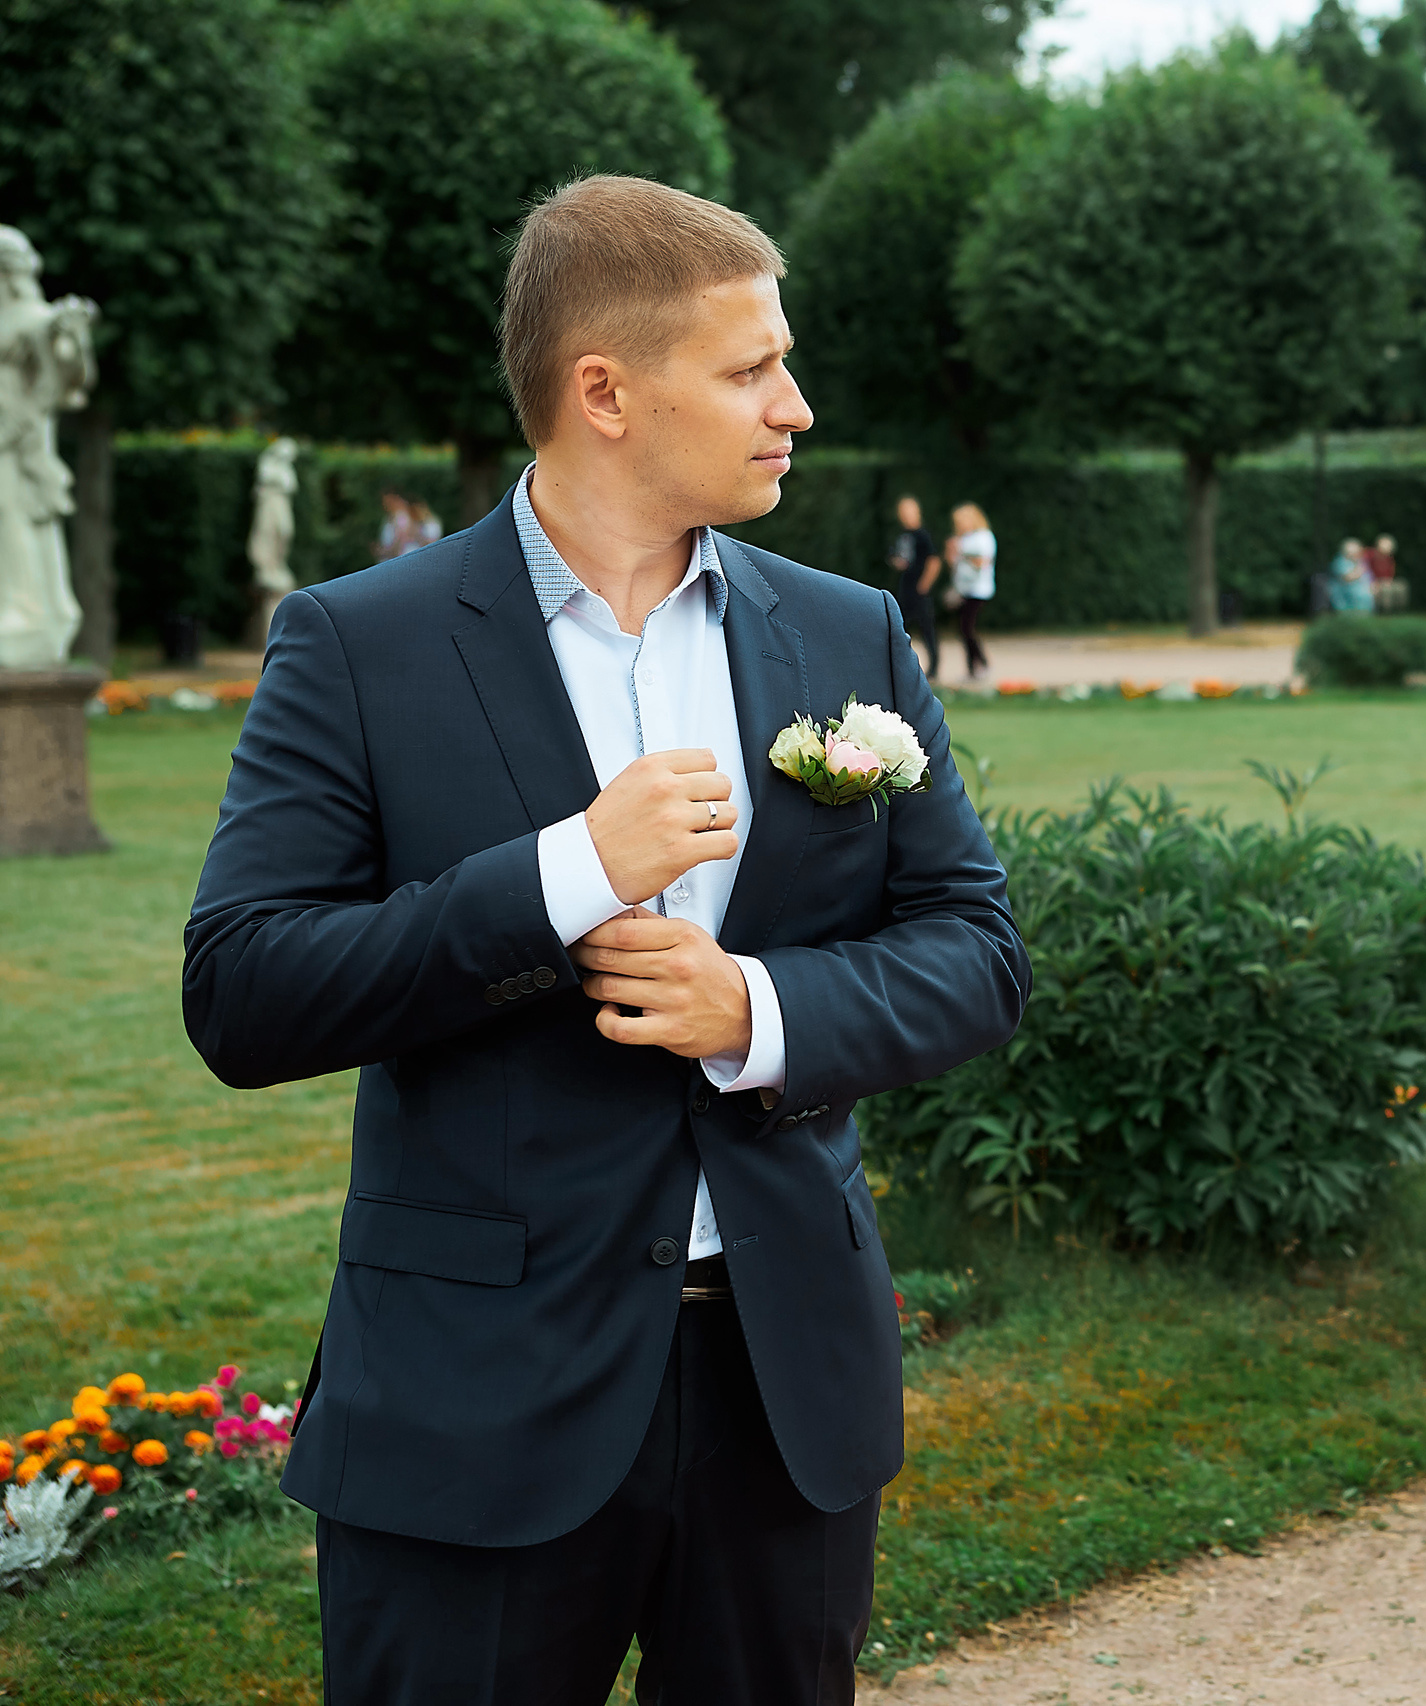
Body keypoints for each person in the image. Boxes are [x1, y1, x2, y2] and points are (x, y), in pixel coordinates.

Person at [182, 174, 1030, 1703]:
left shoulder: (849, 634)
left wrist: (755, 1007)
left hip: (787, 1392)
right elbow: (245, 990)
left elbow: (977, 948)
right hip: (471, 1406)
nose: (798, 403)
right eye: (751, 366)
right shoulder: (358, 642)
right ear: (606, 392)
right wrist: (568, 871)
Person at [889, 494, 941, 680]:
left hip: (919, 589)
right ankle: (901, 668)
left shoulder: (923, 535)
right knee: (900, 627)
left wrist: (924, 584)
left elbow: (934, 561)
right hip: (905, 587)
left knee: (927, 627)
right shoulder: (902, 535)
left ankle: (934, 666)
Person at [947, 502, 995, 679]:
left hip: (978, 590)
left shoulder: (983, 537)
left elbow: (982, 562)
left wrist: (960, 550)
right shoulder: (963, 538)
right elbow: (954, 565)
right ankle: (971, 668)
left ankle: (982, 663)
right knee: (962, 629)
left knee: (966, 627)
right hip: (963, 589)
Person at [1327, 537, 1373, 614]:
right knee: (1362, 594)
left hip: (1360, 588)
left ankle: (1364, 618)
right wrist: (1358, 572)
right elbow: (1347, 578)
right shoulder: (1340, 561)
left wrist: (1371, 585)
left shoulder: (1360, 561)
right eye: (1353, 553)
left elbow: (1368, 576)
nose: (1356, 555)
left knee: (1366, 594)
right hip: (1343, 589)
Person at [371, 490, 417, 561]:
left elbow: (399, 543)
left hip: (404, 559)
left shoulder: (402, 517)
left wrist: (385, 552)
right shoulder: (388, 520)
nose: (385, 504)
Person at [1366, 533, 1406, 612]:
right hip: (1372, 582)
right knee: (1386, 590)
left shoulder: (1390, 559)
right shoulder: (1369, 555)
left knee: (1402, 586)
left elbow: (1390, 573)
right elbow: (1365, 569)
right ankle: (1385, 613)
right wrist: (1373, 583)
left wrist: (1388, 581)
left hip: (1385, 581)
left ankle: (1400, 610)